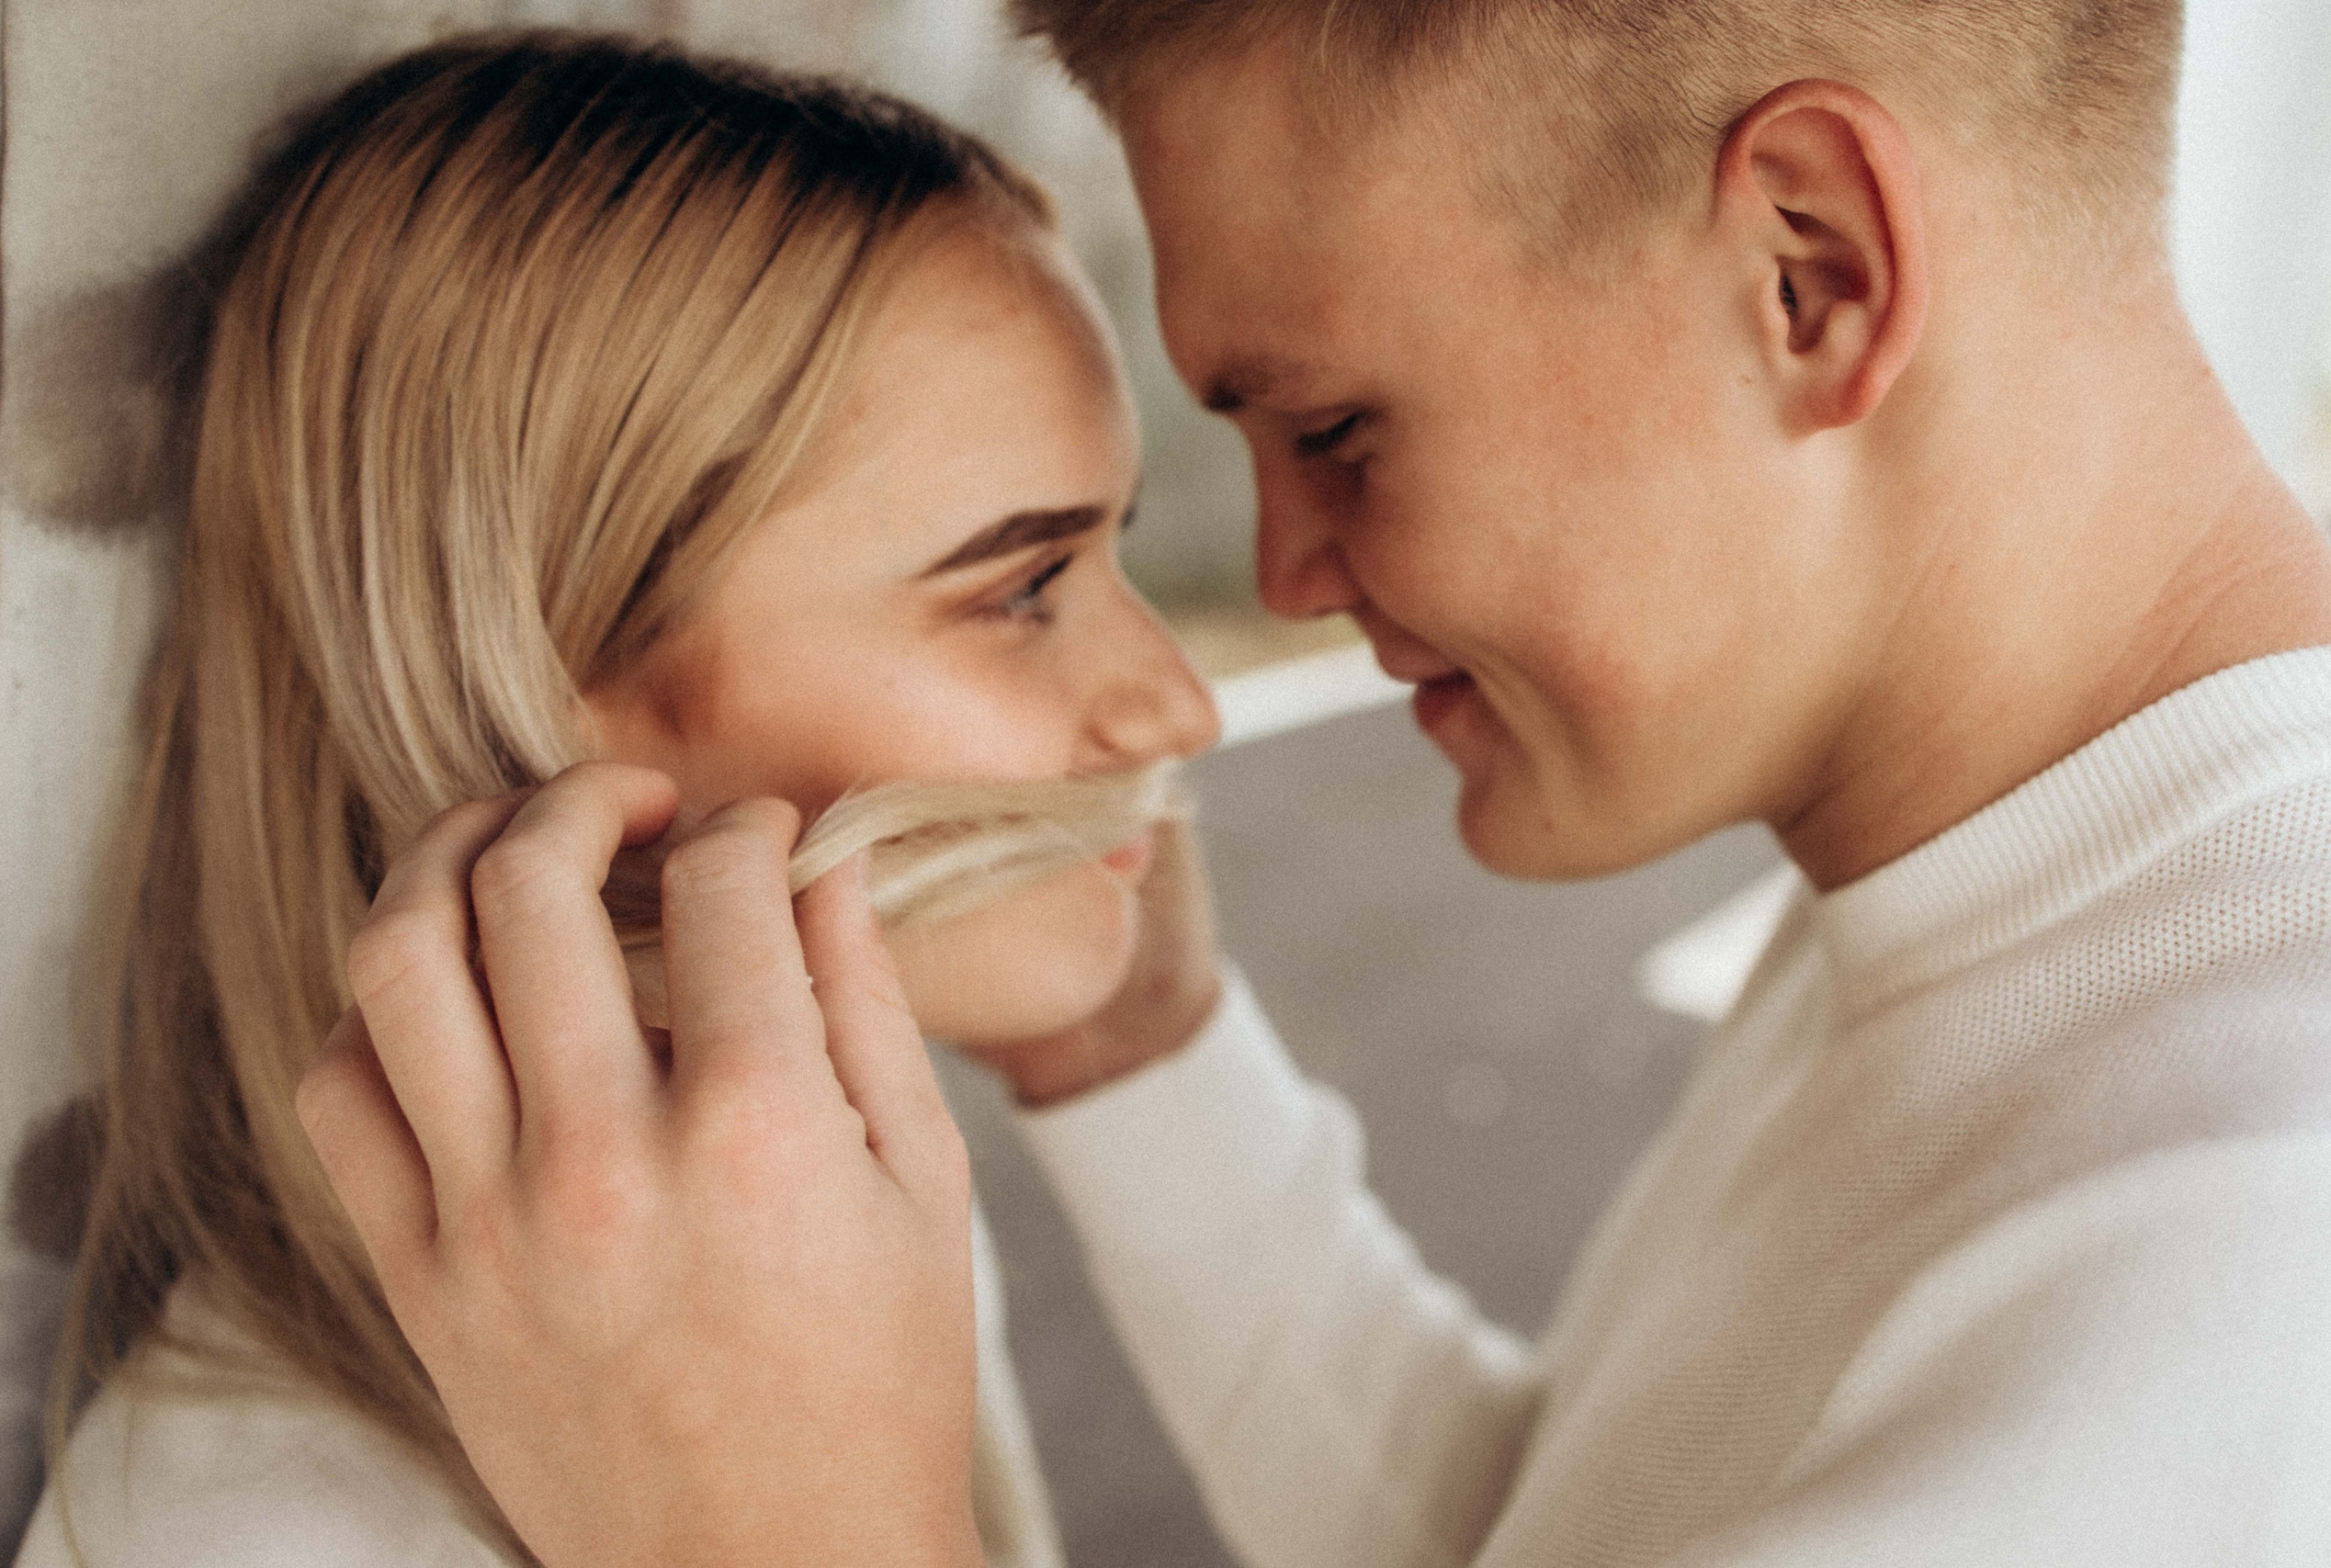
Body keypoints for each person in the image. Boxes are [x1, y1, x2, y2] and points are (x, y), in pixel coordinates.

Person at [301, 1, 2331, 1565]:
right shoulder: (2023, 890)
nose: (1274, 584)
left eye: (1338, 429)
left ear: (1810, 269)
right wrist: (1139, 1055)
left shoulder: (2244, 1273)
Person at [14, 29, 1218, 1568]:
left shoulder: (795, 1219)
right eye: (1025, 586)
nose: (1181, 703)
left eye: (1114, 550)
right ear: (527, 673)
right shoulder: (252, 1541)